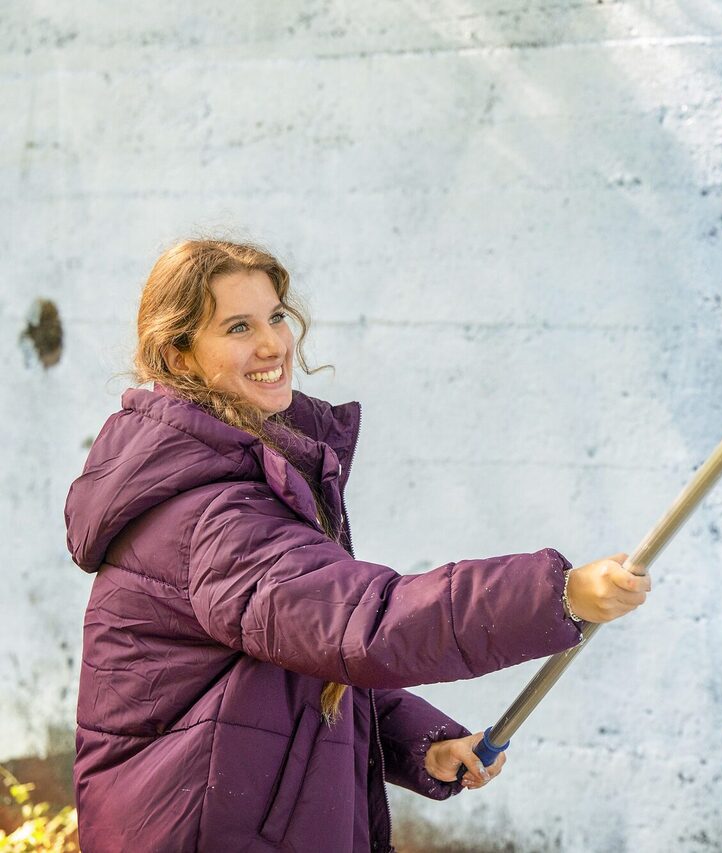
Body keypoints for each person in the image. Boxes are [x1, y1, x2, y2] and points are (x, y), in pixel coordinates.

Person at [63, 239, 649, 852]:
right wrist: (558, 594)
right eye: (239, 327)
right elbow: (365, 623)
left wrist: (421, 743)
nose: (273, 344)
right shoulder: (214, 513)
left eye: (277, 316)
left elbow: (300, 662)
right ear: (178, 356)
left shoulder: (238, 472)